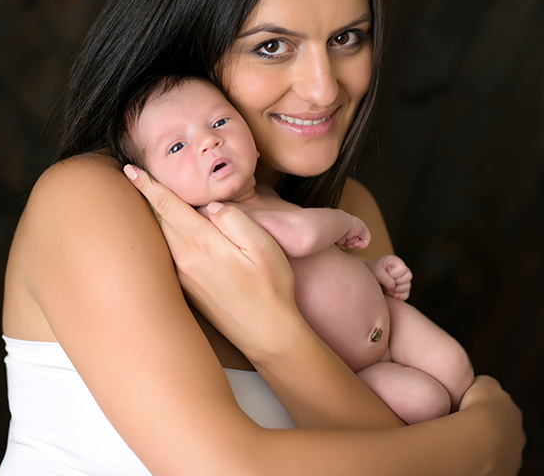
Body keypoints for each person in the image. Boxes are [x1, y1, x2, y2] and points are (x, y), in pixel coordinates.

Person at [0, 0, 524, 474]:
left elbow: (386, 446)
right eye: (272, 46)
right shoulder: (91, 201)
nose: (324, 88)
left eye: (346, 38)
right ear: (190, 47)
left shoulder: (350, 210)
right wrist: (485, 444)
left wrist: (277, 328)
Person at [115, 74, 474, 425]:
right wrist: (346, 222)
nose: (209, 141)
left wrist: (370, 268)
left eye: (220, 122)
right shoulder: (225, 219)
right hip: (351, 367)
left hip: (389, 320)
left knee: (456, 370)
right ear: (156, 186)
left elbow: (319, 263)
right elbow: (301, 238)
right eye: (177, 146)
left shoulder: (266, 197)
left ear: (253, 142)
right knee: (428, 402)